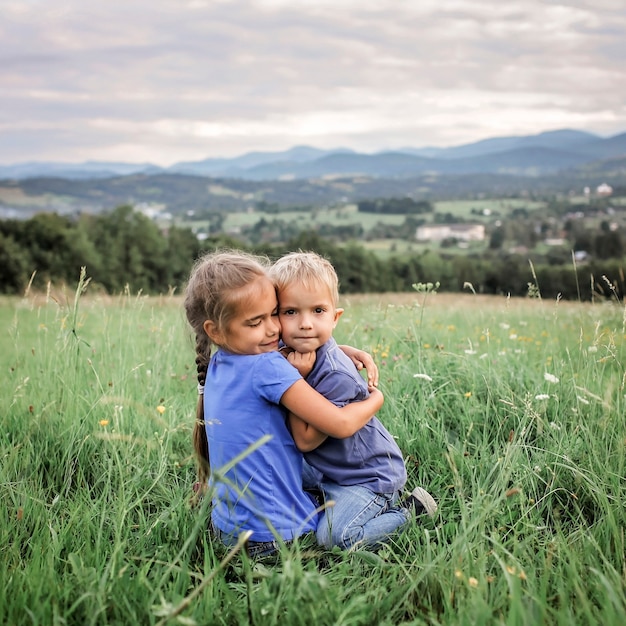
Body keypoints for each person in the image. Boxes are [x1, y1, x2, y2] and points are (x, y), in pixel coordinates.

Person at [183, 249, 384, 558]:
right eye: (257, 321)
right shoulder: (269, 367)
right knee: (334, 529)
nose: (274, 329)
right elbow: (340, 424)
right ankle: (409, 510)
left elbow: (278, 342)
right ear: (216, 330)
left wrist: (341, 349)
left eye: (274, 313)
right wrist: (376, 398)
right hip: (272, 540)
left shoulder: (219, 360)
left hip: (224, 530)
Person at [270, 251, 437, 551]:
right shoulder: (291, 345)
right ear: (275, 316)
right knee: (271, 466)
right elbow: (330, 344)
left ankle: (410, 512)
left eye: (318, 311)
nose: (305, 324)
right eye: (291, 312)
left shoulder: (337, 378)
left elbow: (306, 441)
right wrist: (353, 351)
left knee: (334, 538)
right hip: (328, 467)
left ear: (335, 317)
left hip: (366, 476)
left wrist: (296, 380)